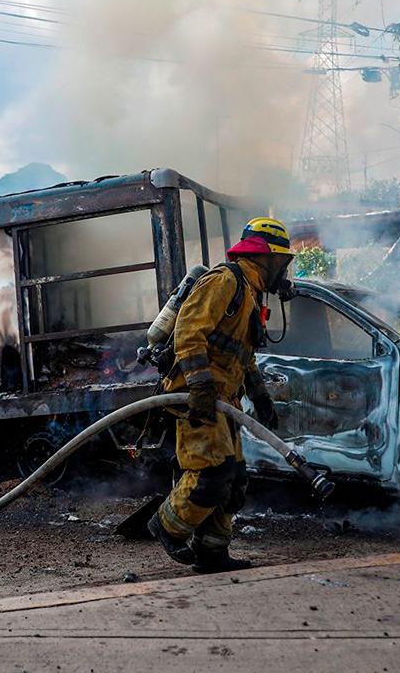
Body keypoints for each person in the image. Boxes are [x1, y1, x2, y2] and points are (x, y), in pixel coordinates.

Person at [148, 217, 292, 574]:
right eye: (282, 261)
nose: (284, 271)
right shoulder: (226, 281)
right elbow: (188, 332)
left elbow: (242, 355)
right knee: (213, 472)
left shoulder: (250, 292)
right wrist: (198, 386)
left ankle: (212, 552)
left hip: (226, 400)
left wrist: (261, 398)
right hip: (198, 397)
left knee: (235, 479)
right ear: (268, 257)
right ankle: (167, 524)